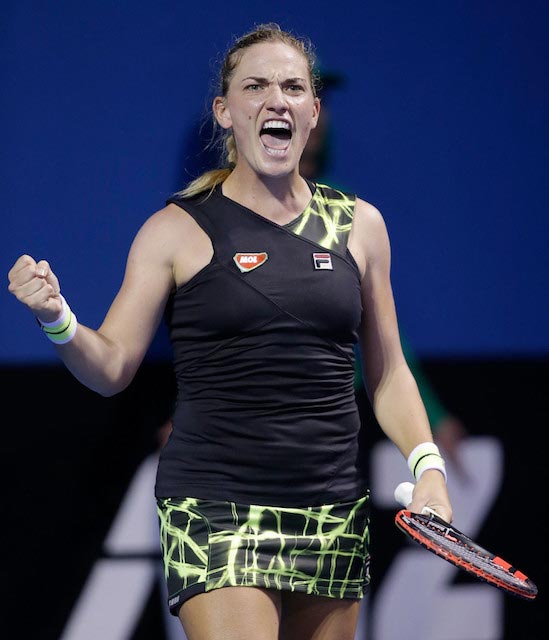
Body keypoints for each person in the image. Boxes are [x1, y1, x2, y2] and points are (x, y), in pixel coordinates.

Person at [7, 22, 452, 640]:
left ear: (313, 111)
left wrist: (427, 465)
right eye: (257, 86)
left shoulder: (361, 227)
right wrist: (57, 320)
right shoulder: (176, 230)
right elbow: (110, 369)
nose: (277, 99)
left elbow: (388, 372)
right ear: (225, 112)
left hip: (331, 509)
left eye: (294, 87)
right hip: (216, 504)